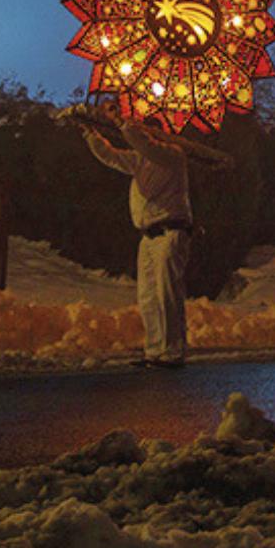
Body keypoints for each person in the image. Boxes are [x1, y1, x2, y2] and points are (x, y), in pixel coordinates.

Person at [81, 115, 198, 368]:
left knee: (167, 293)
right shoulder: (140, 161)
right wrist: (91, 134)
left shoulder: (172, 154)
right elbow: (110, 155)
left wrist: (120, 122)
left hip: (171, 231)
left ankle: (173, 351)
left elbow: (144, 144)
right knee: (148, 295)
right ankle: (155, 350)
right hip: (148, 236)